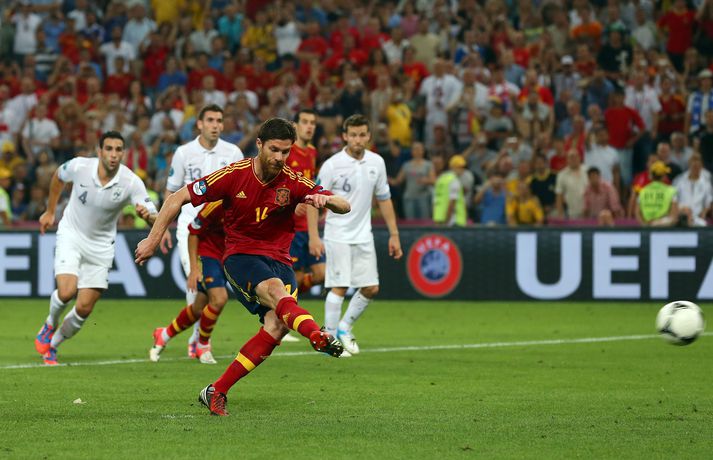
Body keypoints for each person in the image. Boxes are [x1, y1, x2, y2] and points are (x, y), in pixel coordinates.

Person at [135, 118, 350, 416]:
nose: (280, 157)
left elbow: (344, 205)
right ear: (259, 144)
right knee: (275, 292)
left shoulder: (294, 181)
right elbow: (176, 198)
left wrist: (325, 201)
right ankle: (317, 335)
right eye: (274, 150)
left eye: (285, 151)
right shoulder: (234, 175)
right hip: (241, 256)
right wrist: (152, 239)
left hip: (280, 260)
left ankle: (216, 390)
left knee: (276, 326)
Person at [34, 131, 157, 365]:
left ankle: (53, 346)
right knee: (67, 291)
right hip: (71, 234)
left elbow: (157, 218)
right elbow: (58, 176)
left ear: (123, 153)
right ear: (99, 151)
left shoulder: (131, 182)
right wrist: (50, 211)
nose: (113, 154)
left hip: (101, 246)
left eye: (118, 149)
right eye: (108, 149)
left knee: (84, 308)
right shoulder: (80, 167)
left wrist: (148, 216)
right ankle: (50, 323)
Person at [311, 114, 403, 356]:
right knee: (340, 286)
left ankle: (344, 327)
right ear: (344, 136)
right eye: (353, 135)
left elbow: (384, 198)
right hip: (337, 234)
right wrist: (314, 236)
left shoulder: (377, 162)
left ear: (369, 136)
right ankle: (329, 340)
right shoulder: (332, 165)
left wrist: (394, 234)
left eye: (362, 135)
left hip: (364, 235)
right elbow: (313, 200)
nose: (358, 140)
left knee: (371, 288)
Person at [161, 104, 243, 358]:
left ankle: (179, 335)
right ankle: (197, 341)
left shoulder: (233, 152)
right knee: (197, 282)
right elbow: (171, 191)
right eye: (210, 120)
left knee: (211, 291)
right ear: (199, 124)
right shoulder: (184, 153)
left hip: (221, 232)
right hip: (190, 227)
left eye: (219, 120)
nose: (215, 125)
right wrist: (161, 226)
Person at [150, 200, 229, 364]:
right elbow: (194, 231)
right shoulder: (216, 205)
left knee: (198, 307)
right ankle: (203, 345)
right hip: (209, 254)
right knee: (219, 298)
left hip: (231, 256)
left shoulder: (253, 202)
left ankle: (163, 335)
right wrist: (194, 268)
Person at [288, 109, 324, 295]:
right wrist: (291, 204)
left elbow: (311, 187)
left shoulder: (312, 152)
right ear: (294, 125)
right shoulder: (286, 152)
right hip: (290, 229)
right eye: (305, 121)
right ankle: (283, 304)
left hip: (308, 225)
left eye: (312, 123)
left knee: (322, 273)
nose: (309, 126)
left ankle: (283, 300)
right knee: (297, 278)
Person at [636, 161, 679, 226]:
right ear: (664, 176)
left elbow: (637, 212)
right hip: (664, 229)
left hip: (647, 228)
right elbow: (674, 216)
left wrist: (645, 225)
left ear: (651, 176)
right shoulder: (671, 191)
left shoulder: (643, 191)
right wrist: (657, 223)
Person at [433, 155, 468, 226]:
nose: (462, 170)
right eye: (459, 167)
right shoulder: (454, 181)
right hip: (453, 221)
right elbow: (452, 202)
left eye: (463, 167)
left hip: (440, 218)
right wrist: (447, 221)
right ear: (452, 167)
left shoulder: (441, 178)